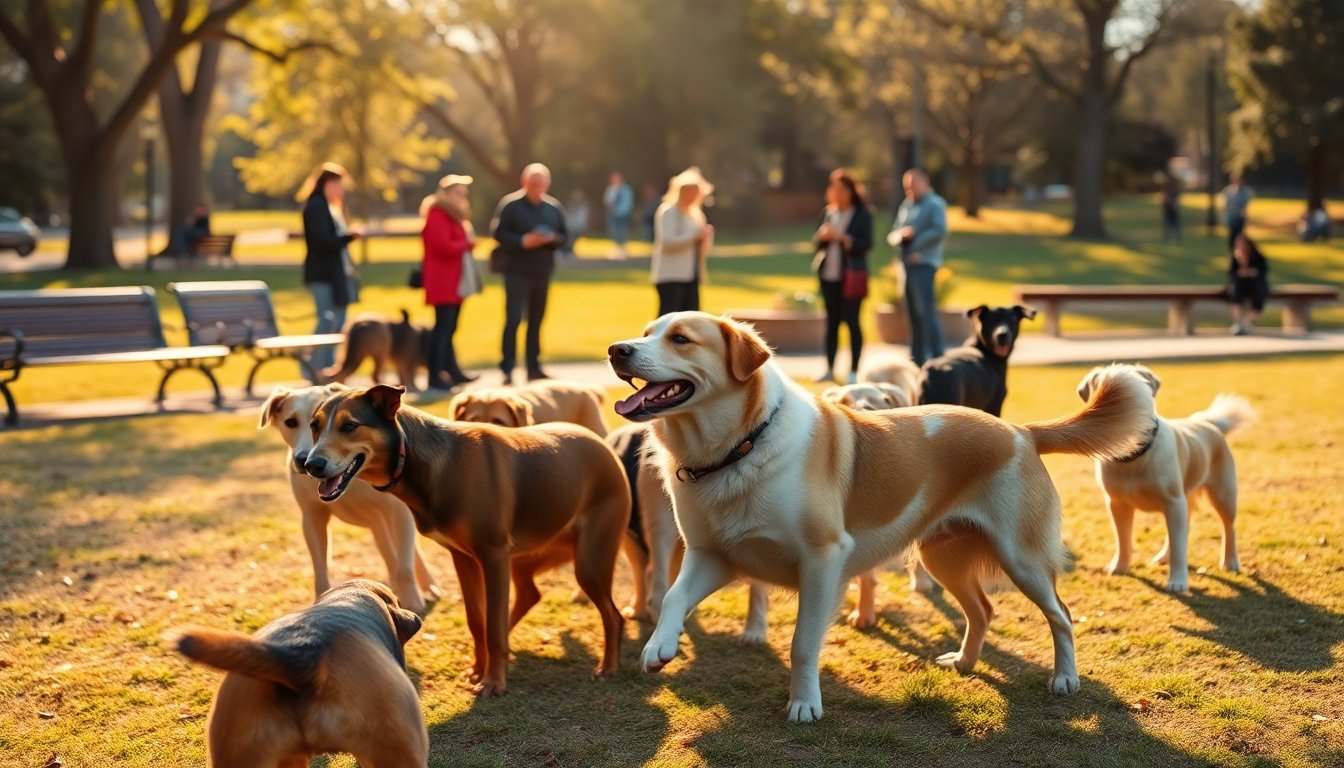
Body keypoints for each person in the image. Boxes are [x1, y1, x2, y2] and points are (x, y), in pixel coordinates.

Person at [490, 162, 568, 384]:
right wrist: (524, 241)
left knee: (536, 319)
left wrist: (550, 239)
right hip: (516, 271)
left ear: (547, 184)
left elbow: (565, 236)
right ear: (525, 182)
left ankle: (533, 366)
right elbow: (499, 233)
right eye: (533, 183)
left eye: (541, 184)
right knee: (513, 318)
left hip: (542, 271)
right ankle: (507, 367)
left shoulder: (553, 207)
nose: (536, 188)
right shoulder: (511, 205)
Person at [299, 162, 364, 372]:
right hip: (323, 274)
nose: (342, 190)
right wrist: (349, 237)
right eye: (339, 184)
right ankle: (314, 368)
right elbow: (322, 240)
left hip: (337, 274)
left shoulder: (333, 207)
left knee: (338, 322)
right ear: (328, 183)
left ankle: (329, 367)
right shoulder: (316, 205)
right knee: (326, 321)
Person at [811, 168, 873, 383]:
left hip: (851, 278)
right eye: (833, 189)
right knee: (832, 323)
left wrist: (843, 237)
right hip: (829, 277)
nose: (836, 194)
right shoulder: (828, 212)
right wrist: (822, 236)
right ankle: (829, 368)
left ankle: (854, 371)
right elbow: (817, 244)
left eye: (841, 189)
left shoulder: (862, 214)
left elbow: (866, 244)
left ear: (850, 191)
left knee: (853, 323)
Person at [420, 174, 481, 391]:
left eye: (464, 193)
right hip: (443, 280)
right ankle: (435, 375)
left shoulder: (455, 215)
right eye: (458, 192)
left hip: (455, 281)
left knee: (451, 327)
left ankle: (452, 371)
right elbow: (442, 245)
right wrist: (466, 243)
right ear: (446, 193)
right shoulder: (438, 213)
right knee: (443, 328)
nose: (463, 197)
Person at [887, 168, 948, 366]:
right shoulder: (906, 204)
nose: (909, 190)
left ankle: (938, 356)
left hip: (924, 264)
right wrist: (901, 237)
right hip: (906, 266)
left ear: (925, 182)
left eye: (913, 185)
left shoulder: (935, 204)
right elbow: (893, 233)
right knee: (911, 312)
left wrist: (916, 244)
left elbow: (939, 231)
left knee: (926, 312)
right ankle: (917, 358)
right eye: (906, 186)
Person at [651, 167, 715, 317]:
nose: (691, 195)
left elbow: (702, 248)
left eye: (695, 191)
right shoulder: (668, 211)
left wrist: (705, 237)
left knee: (691, 320)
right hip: (671, 275)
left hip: (691, 275)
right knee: (668, 319)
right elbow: (667, 242)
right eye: (688, 190)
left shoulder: (696, 214)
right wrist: (694, 236)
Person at [1226, 233, 1269, 336]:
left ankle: (1249, 323)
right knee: (1235, 292)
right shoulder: (1235, 257)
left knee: (1259, 294)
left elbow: (1263, 272)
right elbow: (1231, 273)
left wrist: (1253, 272)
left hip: (1256, 284)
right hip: (1240, 284)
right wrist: (1241, 263)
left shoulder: (1258, 257)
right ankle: (1237, 324)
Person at [603, 172, 634, 258]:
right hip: (613, 214)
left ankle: (623, 250)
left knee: (622, 231)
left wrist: (621, 210)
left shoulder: (626, 190)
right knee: (614, 231)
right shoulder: (610, 189)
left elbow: (627, 203)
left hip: (622, 214)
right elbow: (607, 201)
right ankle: (617, 249)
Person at [1221, 173, 1253, 252]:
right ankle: (1232, 252)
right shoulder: (1228, 191)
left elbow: (1245, 207)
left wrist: (1246, 218)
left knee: (1240, 236)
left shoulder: (1245, 192)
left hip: (1240, 217)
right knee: (1232, 236)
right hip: (1231, 217)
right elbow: (1225, 206)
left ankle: (1240, 250)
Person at [562, 189, 590, 260]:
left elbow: (583, 217)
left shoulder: (582, 205)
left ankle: (569, 250)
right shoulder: (571, 205)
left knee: (574, 239)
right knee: (570, 238)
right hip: (572, 225)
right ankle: (567, 251)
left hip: (578, 226)